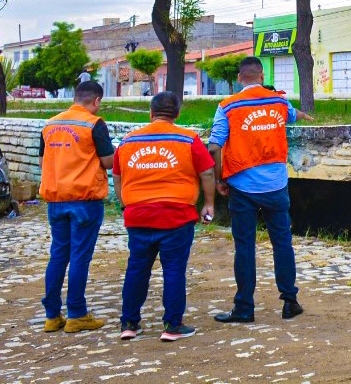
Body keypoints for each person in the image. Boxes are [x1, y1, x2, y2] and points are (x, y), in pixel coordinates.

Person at [208, 57, 308, 323]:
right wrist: (304, 114)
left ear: (240, 78)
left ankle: (244, 308)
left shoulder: (227, 106)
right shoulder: (278, 101)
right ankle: (290, 301)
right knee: (282, 243)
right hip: (276, 185)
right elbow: (292, 115)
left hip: (242, 186)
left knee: (245, 247)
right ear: (262, 76)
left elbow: (214, 146)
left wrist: (219, 179)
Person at [113, 91, 216, 342]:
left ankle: (129, 323)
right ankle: (172, 326)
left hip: (138, 216)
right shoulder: (189, 140)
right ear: (177, 114)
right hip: (176, 217)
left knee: (136, 269)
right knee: (173, 271)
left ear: (151, 113)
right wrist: (209, 204)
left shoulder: (127, 142)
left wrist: (126, 203)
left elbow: (117, 176)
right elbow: (208, 173)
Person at [39, 80, 114, 333]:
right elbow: (108, 161)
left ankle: (51, 316)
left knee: (58, 256)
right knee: (80, 257)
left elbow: (43, 160)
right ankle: (77, 314)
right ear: (96, 101)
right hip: (85, 200)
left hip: (56, 200)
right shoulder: (94, 124)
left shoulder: (50, 125)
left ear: (75, 97)